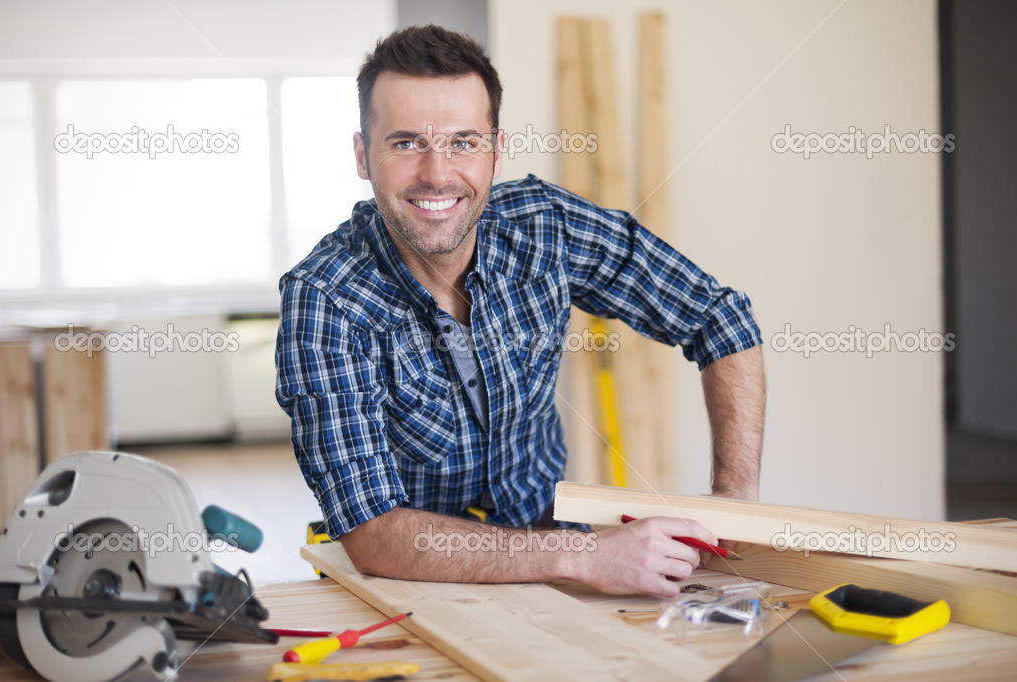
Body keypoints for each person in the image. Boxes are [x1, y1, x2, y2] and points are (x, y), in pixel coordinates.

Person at [276, 25, 764, 597]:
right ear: (363, 155)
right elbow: (373, 531)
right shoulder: (325, 297)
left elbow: (720, 319)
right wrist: (585, 553)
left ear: (496, 151)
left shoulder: (543, 227)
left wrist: (735, 496)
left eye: (463, 142)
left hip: (554, 563)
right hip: (408, 584)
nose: (437, 173)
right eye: (406, 143)